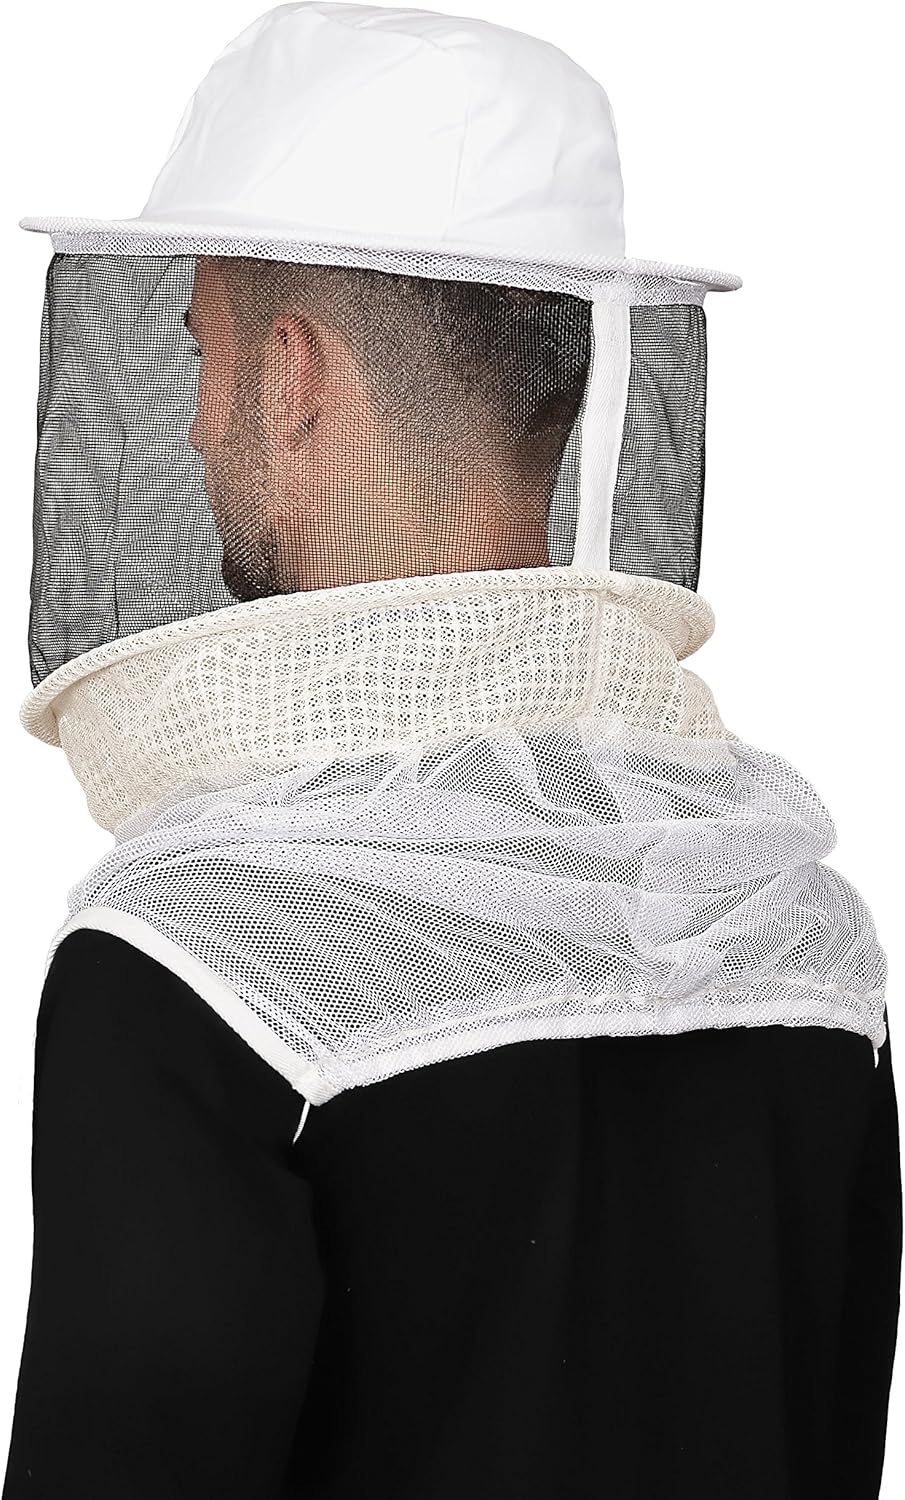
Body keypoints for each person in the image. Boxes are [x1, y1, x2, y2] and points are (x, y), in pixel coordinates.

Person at [4, 6, 901, 1498]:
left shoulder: (200, 964)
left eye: (204, 355)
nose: (196, 430)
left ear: (295, 378)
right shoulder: (797, 939)